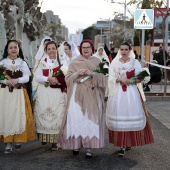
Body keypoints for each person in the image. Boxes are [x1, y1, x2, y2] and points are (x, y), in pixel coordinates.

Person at [106, 42, 154, 156]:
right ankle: (121, 145)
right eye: (121, 49)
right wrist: (119, 79)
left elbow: (140, 77)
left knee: (129, 115)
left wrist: (131, 80)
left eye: (126, 49)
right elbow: (110, 76)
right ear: (119, 50)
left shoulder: (134, 62)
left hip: (131, 93)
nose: (123, 52)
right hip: (118, 93)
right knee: (120, 115)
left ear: (129, 50)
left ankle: (129, 142)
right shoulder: (115, 62)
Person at [61, 39, 107, 158]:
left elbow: (103, 79)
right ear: (80, 49)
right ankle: (75, 145)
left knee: (89, 119)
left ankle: (89, 147)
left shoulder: (97, 61)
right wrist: (78, 73)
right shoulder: (74, 62)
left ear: (92, 49)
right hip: (77, 95)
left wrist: (93, 74)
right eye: (83, 47)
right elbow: (68, 79)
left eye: (88, 47)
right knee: (76, 118)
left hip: (92, 94)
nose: (86, 49)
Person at [0, 40, 36, 153]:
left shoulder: (22, 62)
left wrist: (16, 80)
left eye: (15, 47)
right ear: (7, 49)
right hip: (5, 93)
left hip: (19, 93)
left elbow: (27, 77)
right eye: (11, 47)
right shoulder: (2, 62)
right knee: (7, 116)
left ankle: (18, 139)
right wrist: (7, 82)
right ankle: (8, 143)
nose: (13, 49)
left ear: (18, 49)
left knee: (18, 115)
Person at [34, 41, 67, 150]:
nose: (51, 51)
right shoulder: (42, 62)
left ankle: (55, 141)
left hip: (57, 93)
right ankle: (44, 137)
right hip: (44, 92)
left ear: (56, 49)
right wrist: (48, 78)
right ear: (46, 51)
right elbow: (37, 77)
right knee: (43, 112)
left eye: (53, 48)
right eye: (49, 49)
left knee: (57, 115)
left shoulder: (62, 62)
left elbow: (67, 76)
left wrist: (57, 80)